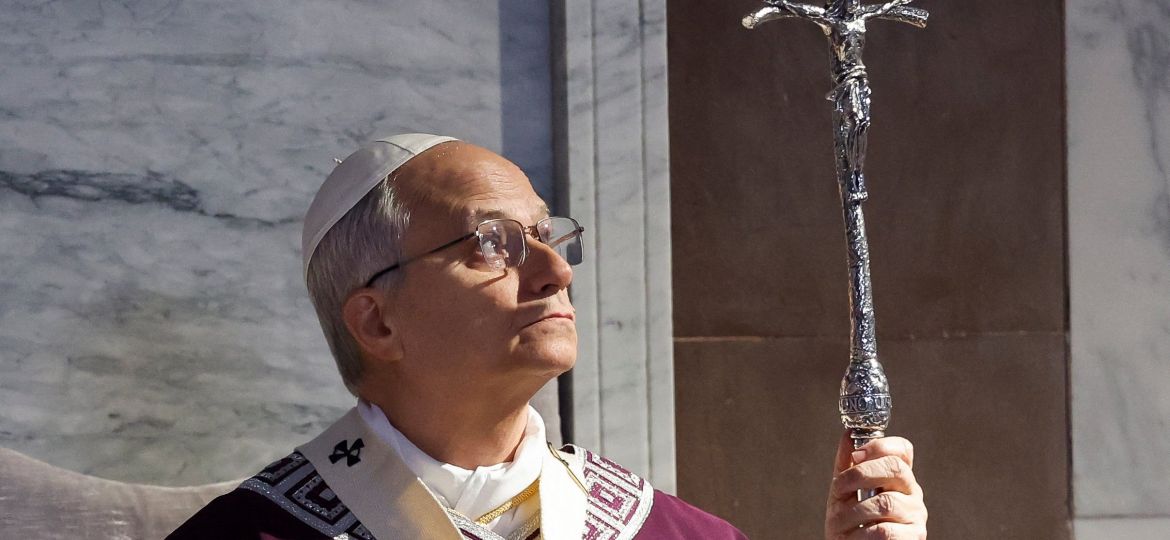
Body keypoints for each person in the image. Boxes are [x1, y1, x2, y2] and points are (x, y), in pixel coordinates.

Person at [169, 134, 927, 539]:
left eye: (549, 235)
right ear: (377, 321)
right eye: (493, 242)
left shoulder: (673, 538)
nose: (555, 272)